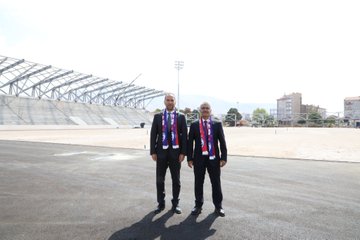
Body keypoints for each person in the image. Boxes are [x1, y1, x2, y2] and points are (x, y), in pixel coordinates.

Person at [187, 102, 227, 217]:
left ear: (210, 110)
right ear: (200, 110)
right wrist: (189, 158)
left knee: (216, 183)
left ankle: (218, 207)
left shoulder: (217, 124)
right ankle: (198, 206)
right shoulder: (194, 125)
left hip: (214, 159)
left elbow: (222, 142)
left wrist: (224, 157)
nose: (205, 110)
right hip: (198, 159)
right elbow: (190, 144)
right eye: (203, 108)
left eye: (207, 108)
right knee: (198, 183)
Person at [150, 93, 187, 214]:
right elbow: (153, 135)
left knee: (176, 180)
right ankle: (160, 203)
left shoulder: (181, 117)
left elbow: (184, 137)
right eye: (168, 100)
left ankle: (175, 204)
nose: (170, 102)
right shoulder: (158, 117)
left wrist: (183, 153)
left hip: (176, 154)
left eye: (172, 100)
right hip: (161, 153)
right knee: (160, 180)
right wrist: (153, 151)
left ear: (175, 102)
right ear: (164, 102)